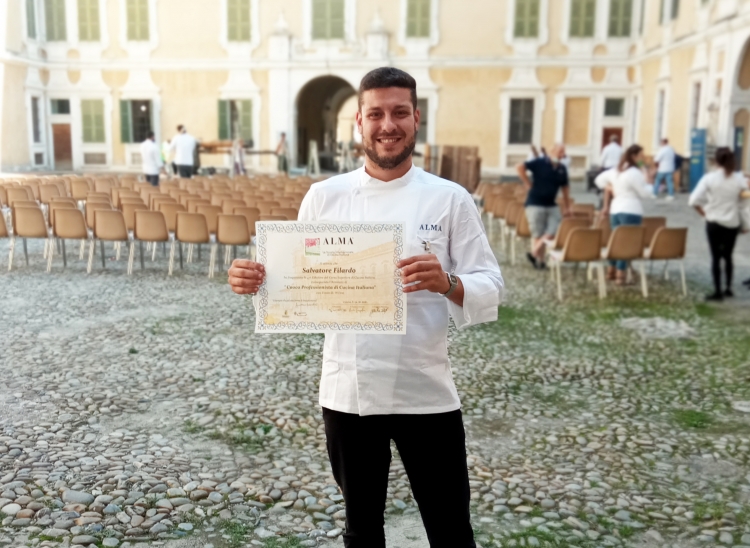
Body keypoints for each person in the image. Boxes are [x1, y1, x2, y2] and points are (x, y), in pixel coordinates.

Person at [228, 67, 504, 548]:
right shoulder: (324, 197)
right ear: (359, 121)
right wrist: (257, 280)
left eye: (399, 112)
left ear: (416, 118)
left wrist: (448, 282)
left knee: (452, 531)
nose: (387, 124)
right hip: (348, 392)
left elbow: (491, 285)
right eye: (375, 113)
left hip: (426, 390)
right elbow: (302, 281)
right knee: (361, 532)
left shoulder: (449, 199)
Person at [689, 147, 750, 301]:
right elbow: (743, 204)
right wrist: (745, 224)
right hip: (732, 222)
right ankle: (729, 288)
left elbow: (694, 200)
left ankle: (717, 291)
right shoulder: (738, 179)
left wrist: (704, 213)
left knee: (715, 257)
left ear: (716, 160)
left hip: (714, 221)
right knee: (728, 256)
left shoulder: (709, 178)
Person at [596, 144, 653, 284]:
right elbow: (645, 193)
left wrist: (611, 187)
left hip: (616, 209)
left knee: (615, 240)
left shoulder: (617, 170)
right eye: (641, 155)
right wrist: (649, 179)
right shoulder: (634, 172)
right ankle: (620, 274)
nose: (643, 158)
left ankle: (611, 269)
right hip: (631, 209)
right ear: (634, 157)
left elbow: (598, 180)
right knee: (626, 243)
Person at [516, 144, 572, 269]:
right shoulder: (540, 162)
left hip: (551, 204)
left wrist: (568, 206)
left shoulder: (562, 168)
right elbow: (519, 166)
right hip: (535, 203)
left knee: (553, 230)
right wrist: (527, 183)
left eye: (563, 152)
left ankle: (533, 253)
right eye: (560, 152)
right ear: (552, 152)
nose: (562, 155)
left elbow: (565, 188)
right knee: (538, 233)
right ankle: (540, 262)